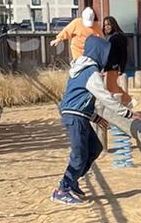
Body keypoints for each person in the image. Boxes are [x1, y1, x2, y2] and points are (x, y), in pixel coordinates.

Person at [51, 32, 121, 205]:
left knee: (95, 147)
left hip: (75, 114)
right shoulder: (91, 72)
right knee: (79, 155)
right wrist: (126, 113)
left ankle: (73, 181)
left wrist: (95, 117)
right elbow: (104, 97)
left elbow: (80, 97)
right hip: (75, 117)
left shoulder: (80, 68)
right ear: (99, 54)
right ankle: (62, 189)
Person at [100, 14, 132, 104]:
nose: (107, 27)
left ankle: (128, 102)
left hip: (114, 66)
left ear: (113, 25)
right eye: (105, 25)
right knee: (112, 87)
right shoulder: (109, 38)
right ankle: (127, 102)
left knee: (112, 87)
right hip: (108, 67)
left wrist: (121, 68)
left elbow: (123, 54)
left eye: (109, 25)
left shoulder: (117, 37)